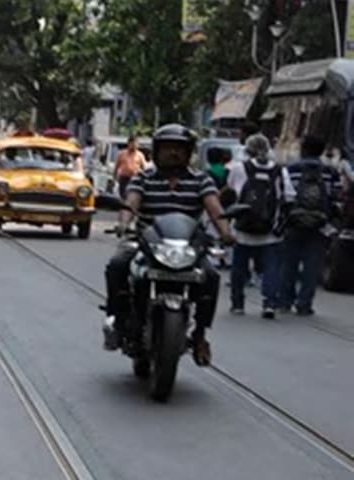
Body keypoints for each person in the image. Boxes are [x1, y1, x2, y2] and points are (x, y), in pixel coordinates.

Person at [104, 125, 232, 366]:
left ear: (188, 152)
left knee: (212, 277)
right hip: (147, 244)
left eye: (179, 149)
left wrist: (226, 232)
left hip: (188, 248)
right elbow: (131, 203)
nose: (173, 153)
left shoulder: (201, 180)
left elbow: (215, 208)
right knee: (117, 265)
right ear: (157, 151)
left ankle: (200, 334)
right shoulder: (143, 178)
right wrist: (123, 224)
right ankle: (118, 320)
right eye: (167, 148)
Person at [228, 133, 294, 318]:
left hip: (242, 230)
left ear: (247, 150)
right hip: (270, 232)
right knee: (271, 269)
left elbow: (232, 192)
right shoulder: (280, 171)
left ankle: (238, 303)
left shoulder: (239, 168)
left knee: (239, 268)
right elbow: (289, 197)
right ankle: (269, 303)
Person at [279, 133, 336, 315]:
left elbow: (283, 195)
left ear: (303, 149)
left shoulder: (291, 169)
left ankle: (285, 301)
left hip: (293, 222)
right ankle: (304, 304)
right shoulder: (330, 172)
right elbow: (336, 198)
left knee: (289, 263)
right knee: (312, 266)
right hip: (320, 225)